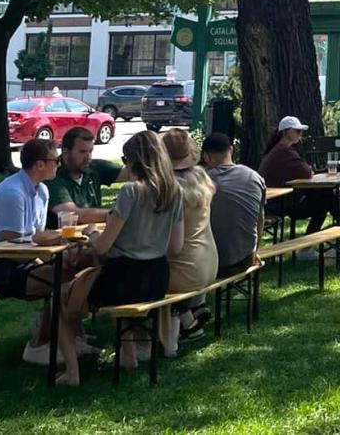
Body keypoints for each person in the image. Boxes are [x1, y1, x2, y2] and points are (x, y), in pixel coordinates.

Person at [60, 130, 184, 385]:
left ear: (135, 161)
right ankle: (128, 357)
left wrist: (93, 234)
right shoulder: (174, 192)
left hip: (123, 278)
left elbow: (103, 247)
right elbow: (176, 246)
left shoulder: (131, 192)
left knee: (62, 299)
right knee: (113, 296)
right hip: (157, 279)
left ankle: (72, 373)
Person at [0, 138, 69, 367]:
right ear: (39, 165)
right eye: (56, 160)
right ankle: (41, 344)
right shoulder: (12, 193)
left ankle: (65, 338)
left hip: (17, 263)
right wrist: (47, 258)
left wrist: (55, 254)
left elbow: (37, 238)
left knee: (70, 271)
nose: (59, 164)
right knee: (61, 279)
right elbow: (11, 247)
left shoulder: (41, 191)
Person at [159, 128, 218, 353]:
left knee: (149, 271)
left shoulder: (168, 189)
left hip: (185, 270)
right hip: (210, 261)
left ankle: (170, 331)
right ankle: (188, 319)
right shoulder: (203, 178)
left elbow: (172, 246)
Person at [260, 115, 339, 234]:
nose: (300, 133)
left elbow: (303, 170)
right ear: (287, 132)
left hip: (274, 201)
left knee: (325, 194)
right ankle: (307, 246)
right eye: (297, 131)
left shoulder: (278, 149)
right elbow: (307, 172)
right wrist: (310, 170)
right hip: (277, 204)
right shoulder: (284, 151)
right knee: (325, 197)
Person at [202, 131, 265, 279]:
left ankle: (195, 303)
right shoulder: (254, 177)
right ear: (231, 149)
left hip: (211, 263)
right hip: (246, 258)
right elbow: (260, 219)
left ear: (206, 157)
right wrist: (255, 249)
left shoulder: (201, 181)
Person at [47, 127, 123, 226]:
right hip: (63, 239)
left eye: (90, 151)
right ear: (66, 152)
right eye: (82, 152)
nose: (88, 158)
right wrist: (119, 214)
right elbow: (74, 214)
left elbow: (134, 173)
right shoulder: (52, 176)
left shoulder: (94, 168)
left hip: (93, 235)